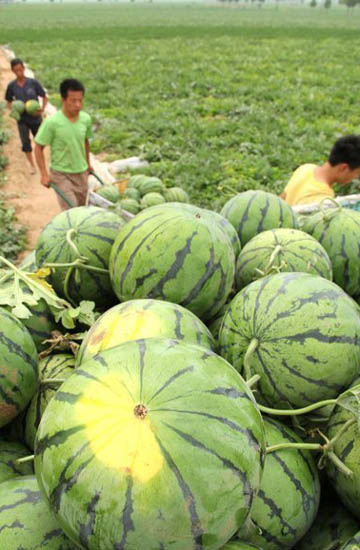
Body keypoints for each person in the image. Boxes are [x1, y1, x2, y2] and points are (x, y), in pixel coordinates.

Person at [34, 78, 92, 210]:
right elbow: (38, 147)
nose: (78, 105)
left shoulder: (85, 119)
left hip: (81, 173)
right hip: (61, 175)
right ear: (63, 100)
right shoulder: (52, 123)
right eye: (73, 101)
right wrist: (43, 174)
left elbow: (85, 142)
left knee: (82, 210)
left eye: (80, 100)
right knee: (71, 210)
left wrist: (88, 164)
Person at [281, 135, 360, 206]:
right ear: (344, 168)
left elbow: (282, 198)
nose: (356, 177)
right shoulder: (323, 199)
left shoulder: (306, 168)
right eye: (357, 173)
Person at [5, 58, 47, 174]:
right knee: (25, 142)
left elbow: (44, 96)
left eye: (20, 69)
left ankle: (41, 163)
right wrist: (13, 108)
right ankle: (31, 165)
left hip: (35, 118)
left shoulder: (33, 83)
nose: (19, 72)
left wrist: (42, 109)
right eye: (16, 70)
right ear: (13, 71)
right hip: (22, 119)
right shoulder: (12, 86)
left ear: (23, 68)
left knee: (40, 141)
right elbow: (8, 101)